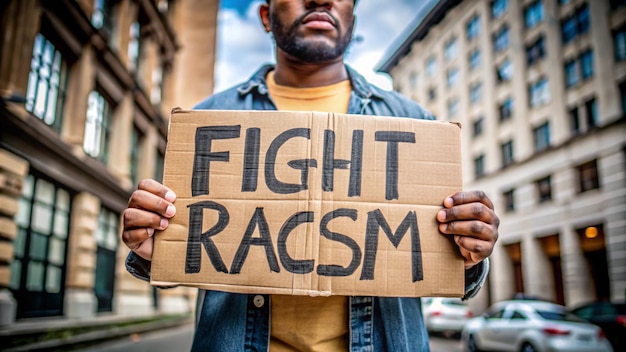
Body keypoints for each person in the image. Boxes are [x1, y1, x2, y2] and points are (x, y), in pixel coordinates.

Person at [122, 0, 499, 351]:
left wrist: (467, 253)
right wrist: (156, 247)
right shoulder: (208, 120)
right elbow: (178, 244)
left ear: (352, 16)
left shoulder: (415, 124)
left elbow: (440, 260)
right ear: (267, 16)